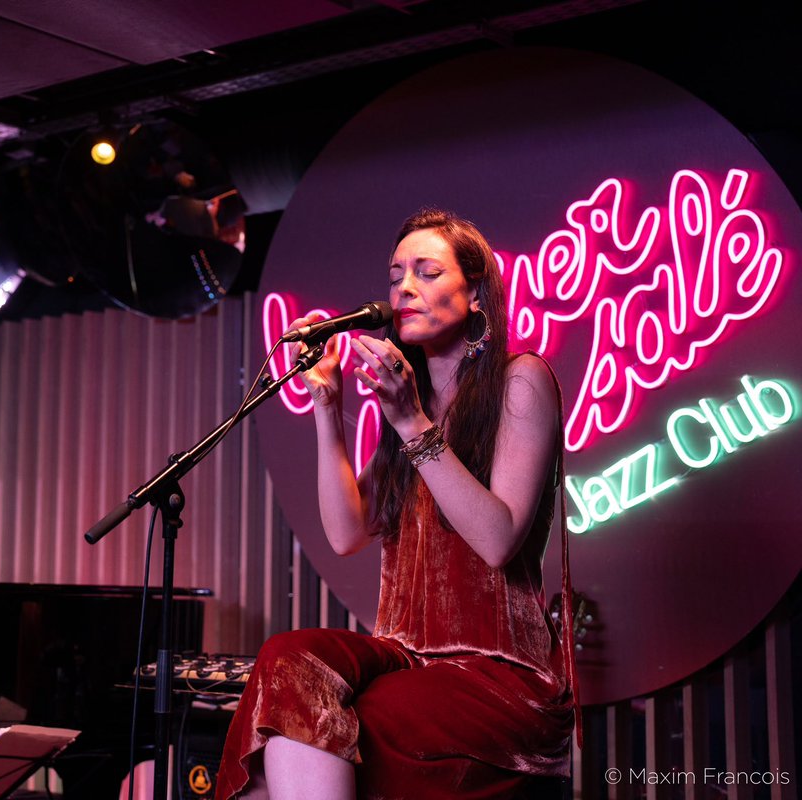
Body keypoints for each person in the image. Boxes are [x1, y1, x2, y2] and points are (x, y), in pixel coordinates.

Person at [215, 209, 577, 799]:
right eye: (395, 275)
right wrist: (328, 408)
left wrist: (411, 421)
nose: (404, 287)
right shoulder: (409, 403)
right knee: (286, 659)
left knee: (323, 726)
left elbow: (497, 539)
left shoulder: (521, 379)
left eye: (427, 272)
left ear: (477, 293)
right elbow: (346, 532)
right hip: (403, 652)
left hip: (497, 672)